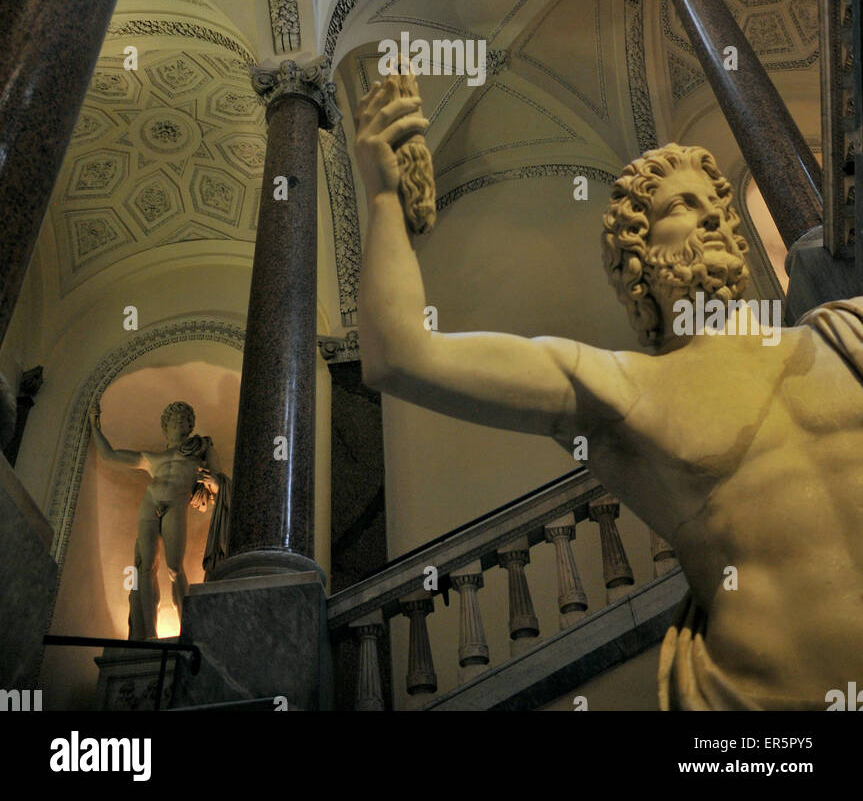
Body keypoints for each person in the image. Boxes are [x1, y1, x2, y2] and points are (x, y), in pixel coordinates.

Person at [353, 81, 863, 710]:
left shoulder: (848, 330)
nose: (710, 217)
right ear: (637, 257)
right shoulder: (617, 386)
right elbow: (400, 355)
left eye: (716, 208)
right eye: (682, 205)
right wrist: (383, 198)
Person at [89, 399, 226, 639]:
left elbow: (217, 479)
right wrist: (94, 426)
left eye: (185, 418)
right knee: (145, 568)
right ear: (166, 427)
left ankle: (188, 630)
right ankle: (145, 634)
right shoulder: (150, 458)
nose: (180, 421)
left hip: (176, 504)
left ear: (191, 425)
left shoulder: (201, 446)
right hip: (150, 504)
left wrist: (214, 483)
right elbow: (108, 455)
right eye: (175, 419)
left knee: (174, 567)